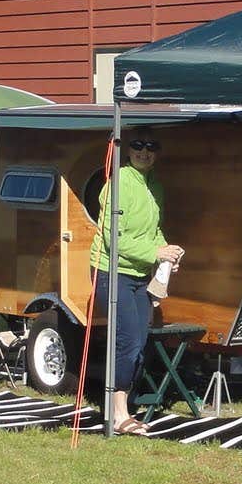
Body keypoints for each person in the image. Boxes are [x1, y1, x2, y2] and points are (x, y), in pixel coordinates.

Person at [90, 127, 183, 436]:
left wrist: (166, 254)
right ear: (127, 151)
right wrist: (155, 252)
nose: (145, 152)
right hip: (110, 271)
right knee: (127, 340)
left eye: (151, 147)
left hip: (140, 275)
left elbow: (154, 231)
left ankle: (123, 407)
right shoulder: (117, 185)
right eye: (139, 146)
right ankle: (118, 415)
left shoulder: (154, 185)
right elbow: (113, 239)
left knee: (140, 343)